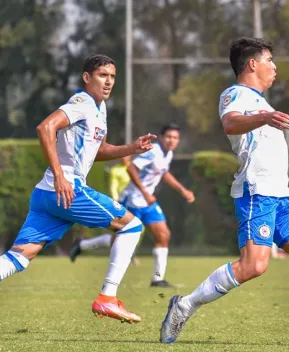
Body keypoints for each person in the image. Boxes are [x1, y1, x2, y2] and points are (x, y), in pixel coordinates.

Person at [159, 37, 289, 347]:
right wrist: (265, 117)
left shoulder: (261, 101)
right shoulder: (235, 94)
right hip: (256, 192)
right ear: (252, 64)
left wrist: (266, 114)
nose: (274, 67)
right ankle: (184, 305)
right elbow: (230, 124)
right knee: (254, 265)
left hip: (281, 195)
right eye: (269, 60)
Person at [0, 54, 157, 324]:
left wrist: (132, 148)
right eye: (102, 76)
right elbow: (45, 128)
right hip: (67, 189)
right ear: (87, 78)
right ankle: (107, 297)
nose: (108, 82)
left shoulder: (100, 108)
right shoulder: (82, 102)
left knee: (20, 256)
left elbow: (99, 151)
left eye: (112, 77)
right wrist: (61, 176)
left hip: (47, 194)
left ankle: (108, 298)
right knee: (131, 227)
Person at [70, 123, 195, 288]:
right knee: (119, 240)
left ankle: (158, 279)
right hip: (133, 200)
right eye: (169, 137)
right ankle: (82, 245)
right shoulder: (153, 152)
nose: (172, 140)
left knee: (163, 235)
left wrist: (182, 190)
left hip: (148, 203)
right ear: (162, 138)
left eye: (175, 138)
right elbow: (131, 169)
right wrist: (145, 192)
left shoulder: (168, 154)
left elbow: (164, 173)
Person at [69, 156, 132, 260]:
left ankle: (83, 245)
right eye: (122, 156)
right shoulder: (116, 170)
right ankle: (127, 257)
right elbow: (113, 187)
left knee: (128, 233)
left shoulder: (135, 168)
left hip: (137, 204)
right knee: (123, 234)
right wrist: (117, 204)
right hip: (123, 204)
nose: (124, 158)